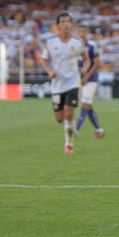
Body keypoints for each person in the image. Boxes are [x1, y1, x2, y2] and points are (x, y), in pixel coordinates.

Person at [39, 13, 90, 155]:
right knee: (59, 118)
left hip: (73, 81)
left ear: (72, 25)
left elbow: (86, 59)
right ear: (58, 25)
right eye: (63, 21)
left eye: (68, 21)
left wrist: (85, 69)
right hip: (57, 84)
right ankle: (71, 127)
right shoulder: (50, 42)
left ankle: (68, 145)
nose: (66, 24)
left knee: (68, 113)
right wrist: (49, 71)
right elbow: (43, 59)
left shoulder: (77, 42)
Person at [75, 25, 105, 139]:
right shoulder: (74, 46)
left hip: (91, 79)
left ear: (87, 32)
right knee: (87, 105)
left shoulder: (92, 45)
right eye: (79, 31)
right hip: (78, 79)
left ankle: (75, 129)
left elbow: (97, 63)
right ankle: (99, 130)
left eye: (83, 31)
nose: (81, 33)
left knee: (84, 102)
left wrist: (87, 76)